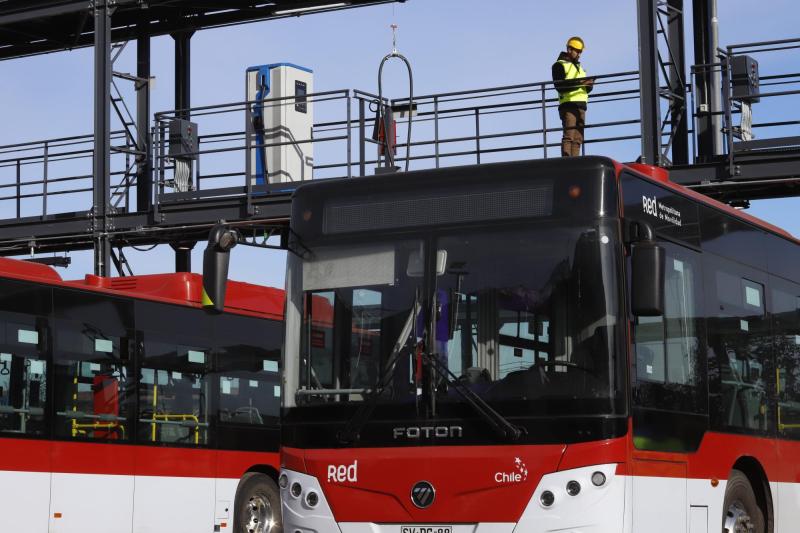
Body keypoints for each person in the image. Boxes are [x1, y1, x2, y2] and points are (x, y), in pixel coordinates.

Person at [552, 36, 594, 157]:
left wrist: (589, 85)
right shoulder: (559, 65)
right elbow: (560, 86)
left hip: (581, 106)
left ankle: (575, 161)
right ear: (569, 49)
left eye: (580, 52)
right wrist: (581, 82)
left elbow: (584, 89)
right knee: (569, 136)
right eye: (578, 51)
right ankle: (567, 161)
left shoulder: (579, 67)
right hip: (569, 105)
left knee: (578, 138)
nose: (580, 54)